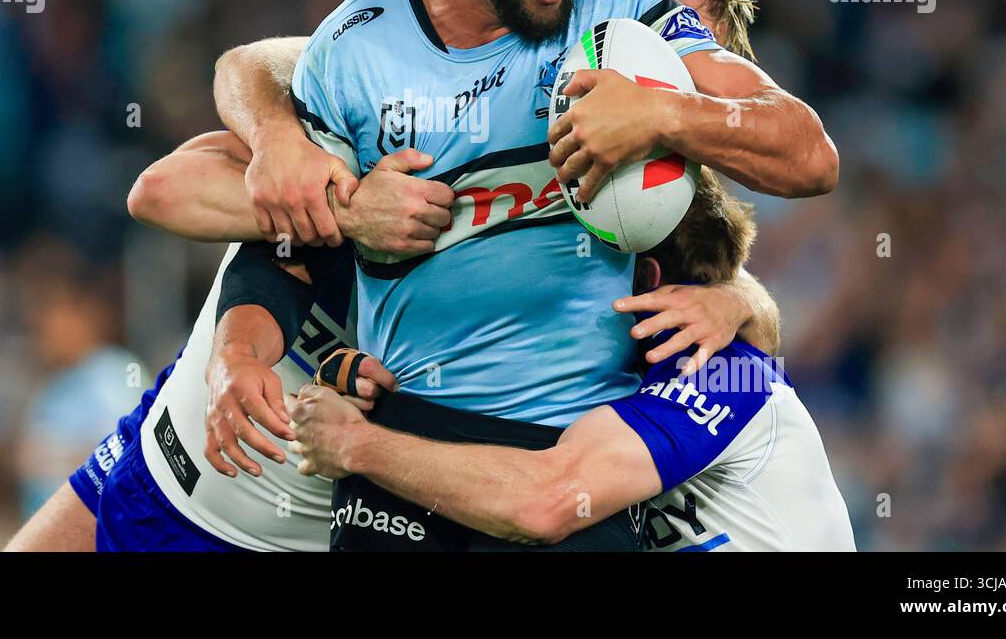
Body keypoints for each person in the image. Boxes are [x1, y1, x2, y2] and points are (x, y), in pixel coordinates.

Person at [212, 0, 837, 548]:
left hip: (580, 459)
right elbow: (284, 247)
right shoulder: (356, 49)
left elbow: (809, 153)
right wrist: (239, 358)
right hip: (402, 457)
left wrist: (664, 115)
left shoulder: (624, 15)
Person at [6, 133, 778, 551]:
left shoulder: (616, 310)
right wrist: (345, 211)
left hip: (271, 535)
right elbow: (163, 191)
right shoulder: (394, 133)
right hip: (156, 460)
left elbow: (760, 367)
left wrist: (736, 300)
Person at [287, 170, 855, 552]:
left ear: (646, 280)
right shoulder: (651, 360)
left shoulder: (720, 375)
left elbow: (544, 502)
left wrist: (358, 445)